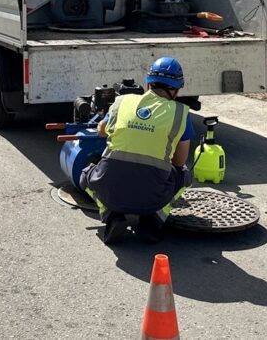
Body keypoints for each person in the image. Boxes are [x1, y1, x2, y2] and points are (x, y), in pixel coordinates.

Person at [80, 57, 195, 243]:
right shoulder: (180, 113)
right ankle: (154, 218)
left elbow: (101, 130)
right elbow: (179, 162)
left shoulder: (122, 102)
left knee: (86, 175)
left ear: (148, 83)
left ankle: (111, 215)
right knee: (185, 175)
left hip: (111, 189)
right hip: (153, 195)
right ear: (176, 89)